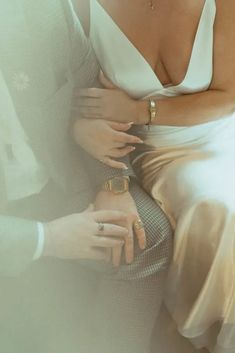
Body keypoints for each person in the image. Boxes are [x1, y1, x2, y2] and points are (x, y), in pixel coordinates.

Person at [0, 1, 172, 353]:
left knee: (143, 234)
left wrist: (112, 180)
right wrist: (45, 238)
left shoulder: (40, 9)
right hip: (11, 224)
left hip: (55, 182)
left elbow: (88, 88)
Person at [75, 0, 235, 352]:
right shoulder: (82, 6)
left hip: (220, 135)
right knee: (220, 205)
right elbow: (72, 92)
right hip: (156, 150)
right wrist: (82, 124)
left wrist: (137, 108)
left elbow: (228, 97)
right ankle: (207, 333)